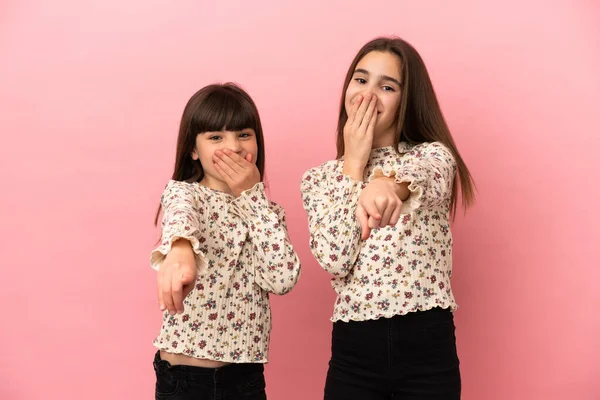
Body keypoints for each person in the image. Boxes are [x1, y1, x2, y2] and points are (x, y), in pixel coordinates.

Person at [301, 37, 475, 399]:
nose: (368, 94)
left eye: (387, 86)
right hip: (354, 354)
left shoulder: (433, 156)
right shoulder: (319, 179)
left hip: (427, 348)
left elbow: (422, 176)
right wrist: (353, 165)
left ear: (406, 99)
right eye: (361, 80)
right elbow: (334, 259)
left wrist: (385, 186)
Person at [151, 83, 301, 400]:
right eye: (216, 137)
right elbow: (180, 218)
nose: (232, 147)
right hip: (184, 379)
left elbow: (283, 278)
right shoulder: (184, 193)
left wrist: (252, 197)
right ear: (193, 149)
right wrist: (180, 248)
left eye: (243, 134)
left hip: (245, 379)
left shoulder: (267, 213)